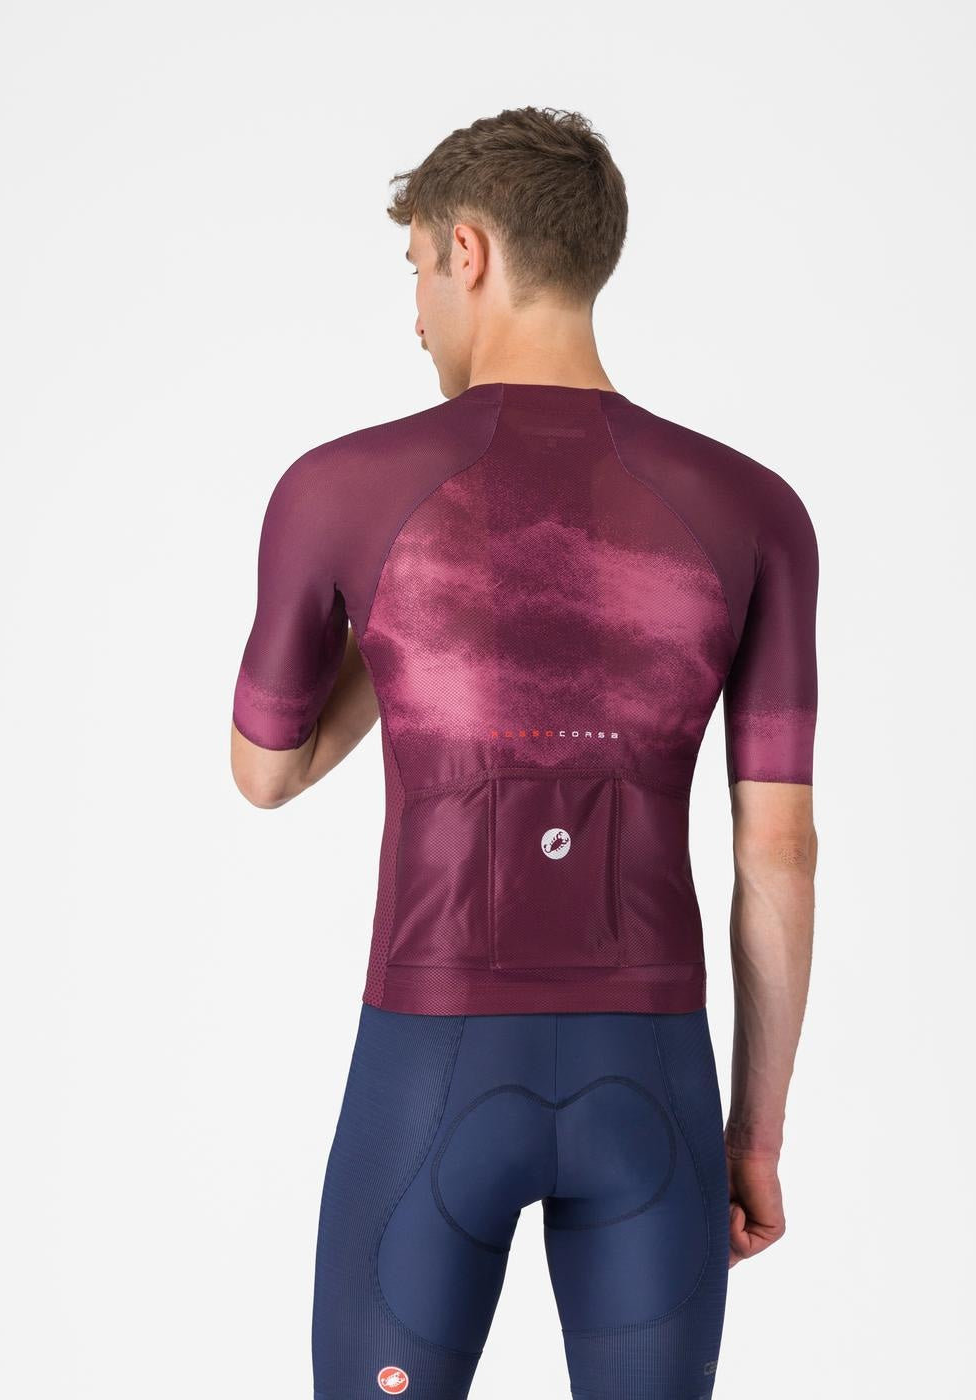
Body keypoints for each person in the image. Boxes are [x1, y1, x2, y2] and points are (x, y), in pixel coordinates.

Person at [230, 106, 818, 1400]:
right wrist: (756, 1138)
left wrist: (402, 624)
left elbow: (266, 770)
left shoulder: (341, 490)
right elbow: (780, 850)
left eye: (416, 274)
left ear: (468, 250)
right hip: (655, 1083)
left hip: (429, 1069)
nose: (416, 316)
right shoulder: (752, 507)